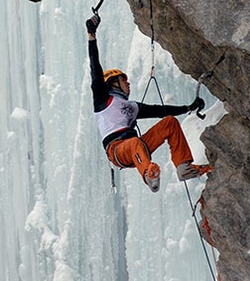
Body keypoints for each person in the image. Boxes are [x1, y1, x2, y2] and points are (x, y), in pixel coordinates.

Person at [86, 12, 210, 192]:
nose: (128, 83)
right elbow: (95, 68)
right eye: (123, 81)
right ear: (113, 83)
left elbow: (160, 110)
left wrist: (189, 107)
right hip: (117, 150)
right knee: (135, 143)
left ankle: (184, 167)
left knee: (170, 123)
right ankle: (148, 173)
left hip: (137, 148)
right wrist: (92, 36)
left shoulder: (132, 107)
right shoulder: (102, 99)